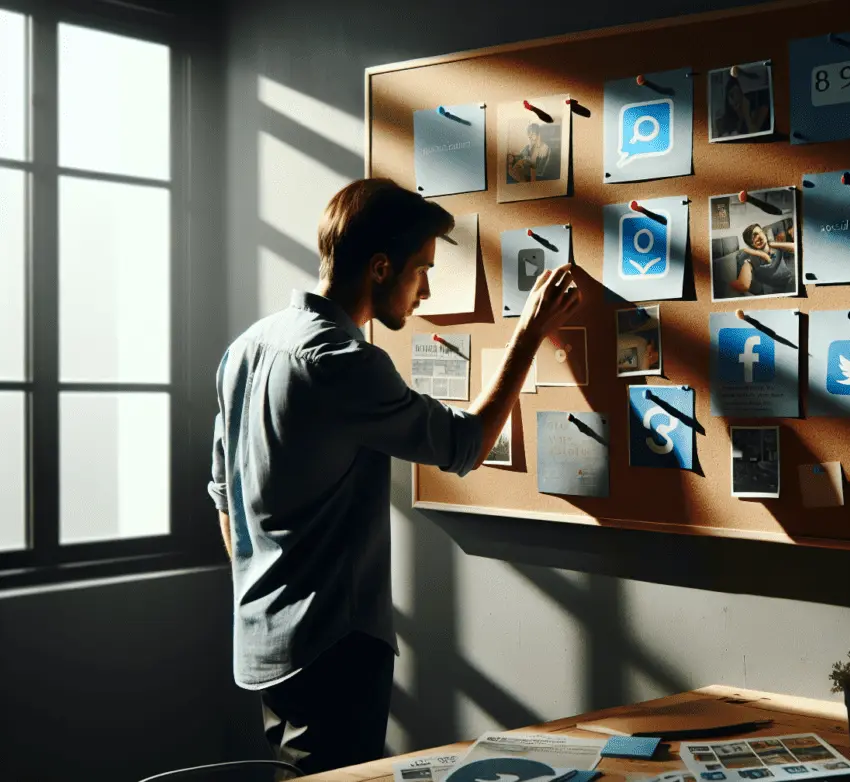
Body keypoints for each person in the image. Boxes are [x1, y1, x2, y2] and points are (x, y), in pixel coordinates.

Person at [207, 178, 582, 774]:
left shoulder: (248, 347)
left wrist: (257, 582)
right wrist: (529, 331)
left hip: (261, 641)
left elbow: (224, 493)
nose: (427, 291)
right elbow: (466, 444)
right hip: (332, 650)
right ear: (381, 268)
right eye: (421, 270)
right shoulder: (342, 363)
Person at [730, 222, 796, 296]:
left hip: (790, 281)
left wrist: (771, 244)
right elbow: (743, 285)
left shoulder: (776, 248)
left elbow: (796, 248)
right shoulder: (751, 260)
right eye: (754, 236)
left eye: (760, 232)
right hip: (778, 293)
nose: (759, 237)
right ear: (751, 243)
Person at [714, 74, 770, 139]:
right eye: (732, 95)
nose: (736, 98)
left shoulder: (757, 112)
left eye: (738, 93)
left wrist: (747, 115)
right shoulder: (722, 121)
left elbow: (754, 135)